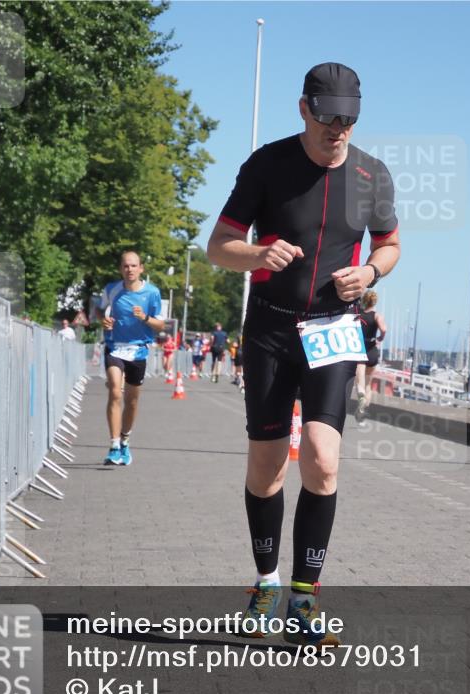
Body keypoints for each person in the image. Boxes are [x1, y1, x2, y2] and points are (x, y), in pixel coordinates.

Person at [207, 62, 399, 647]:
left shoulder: (371, 175)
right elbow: (218, 246)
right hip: (270, 329)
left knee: (322, 459)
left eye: (349, 119)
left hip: (332, 330)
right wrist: (257, 255)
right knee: (267, 468)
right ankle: (266, 583)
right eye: (327, 117)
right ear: (303, 110)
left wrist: (369, 272)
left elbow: (390, 245)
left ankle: (304, 597)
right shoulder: (267, 164)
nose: (338, 128)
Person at [99, 251, 166, 466]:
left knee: (132, 401)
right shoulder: (112, 289)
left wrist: (144, 317)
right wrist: (104, 320)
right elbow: (99, 311)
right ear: (121, 269)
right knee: (114, 391)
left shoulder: (152, 293)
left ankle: (125, 440)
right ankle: (114, 445)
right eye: (126, 266)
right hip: (114, 347)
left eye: (134, 265)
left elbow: (160, 325)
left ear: (141, 268)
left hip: (138, 350)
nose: (130, 269)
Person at [354, 290, 386, 421]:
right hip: (372, 350)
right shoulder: (377, 316)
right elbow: (384, 329)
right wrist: (380, 338)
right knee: (368, 384)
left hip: (361, 349)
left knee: (359, 381)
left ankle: (361, 398)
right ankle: (363, 410)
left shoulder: (358, 315)